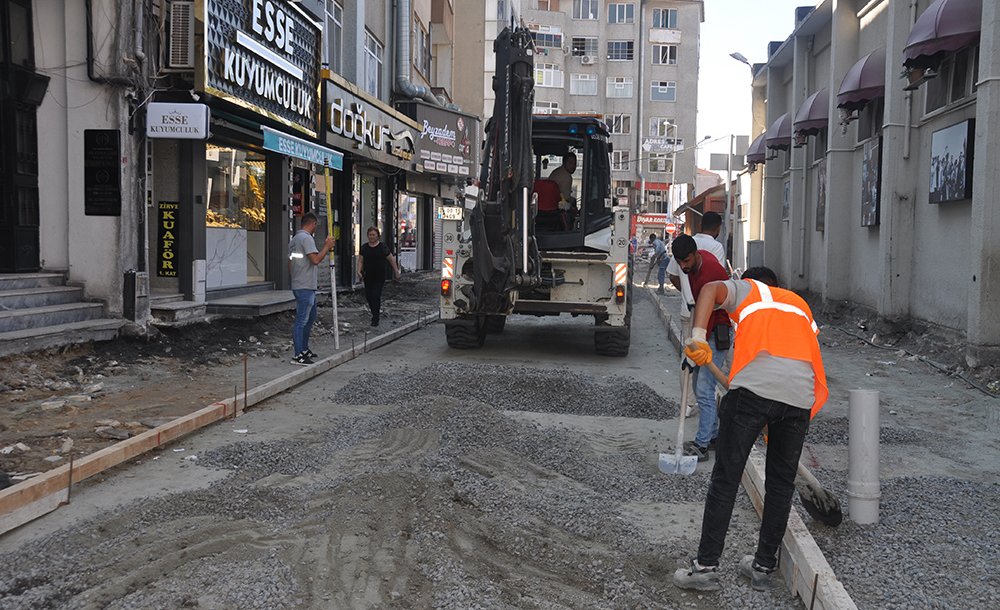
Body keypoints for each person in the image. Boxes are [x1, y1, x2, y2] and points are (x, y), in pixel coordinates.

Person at [672, 266, 828, 593]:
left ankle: (705, 568)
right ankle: (762, 568)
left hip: (753, 394)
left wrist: (698, 337)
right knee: (781, 485)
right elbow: (800, 364)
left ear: (747, 283)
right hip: (798, 398)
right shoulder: (798, 304)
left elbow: (709, 290)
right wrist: (782, 416)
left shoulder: (750, 291)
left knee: (726, 478)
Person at [671, 234, 731, 461]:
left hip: (717, 333)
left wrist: (698, 346)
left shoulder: (710, 273)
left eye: (686, 261)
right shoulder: (696, 265)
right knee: (698, 385)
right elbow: (699, 309)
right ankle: (713, 435)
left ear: (696, 254)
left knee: (705, 389)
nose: (683, 266)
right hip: (705, 332)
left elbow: (711, 316)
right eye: (679, 262)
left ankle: (702, 445)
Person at [667, 212, 727, 329]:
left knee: (690, 346)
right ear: (718, 228)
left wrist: (687, 291)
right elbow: (718, 282)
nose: (683, 266)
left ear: (700, 225)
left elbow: (673, 276)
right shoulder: (716, 247)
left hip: (687, 309)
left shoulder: (685, 243)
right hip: (709, 313)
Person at [288, 213, 334, 366]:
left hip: (301, 283)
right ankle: (298, 355)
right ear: (313, 223)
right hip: (305, 285)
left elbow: (290, 263)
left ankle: (304, 348)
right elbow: (315, 260)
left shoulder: (294, 239)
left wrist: (295, 276)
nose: (316, 228)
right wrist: (327, 246)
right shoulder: (307, 239)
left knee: (310, 317)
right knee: (302, 320)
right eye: (316, 225)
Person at [357, 226, 401, 327]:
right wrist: (358, 271)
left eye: (373, 234)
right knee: (369, 297)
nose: (371, 237)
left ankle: (375, 318)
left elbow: (391, 259)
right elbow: (360, 261)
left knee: (375, 295)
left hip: (379, 276)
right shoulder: (364, 248)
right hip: (368, 276)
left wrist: (396, 272)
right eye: (370, 235)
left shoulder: (382, 247)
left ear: (378, 236)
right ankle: (374, 313)